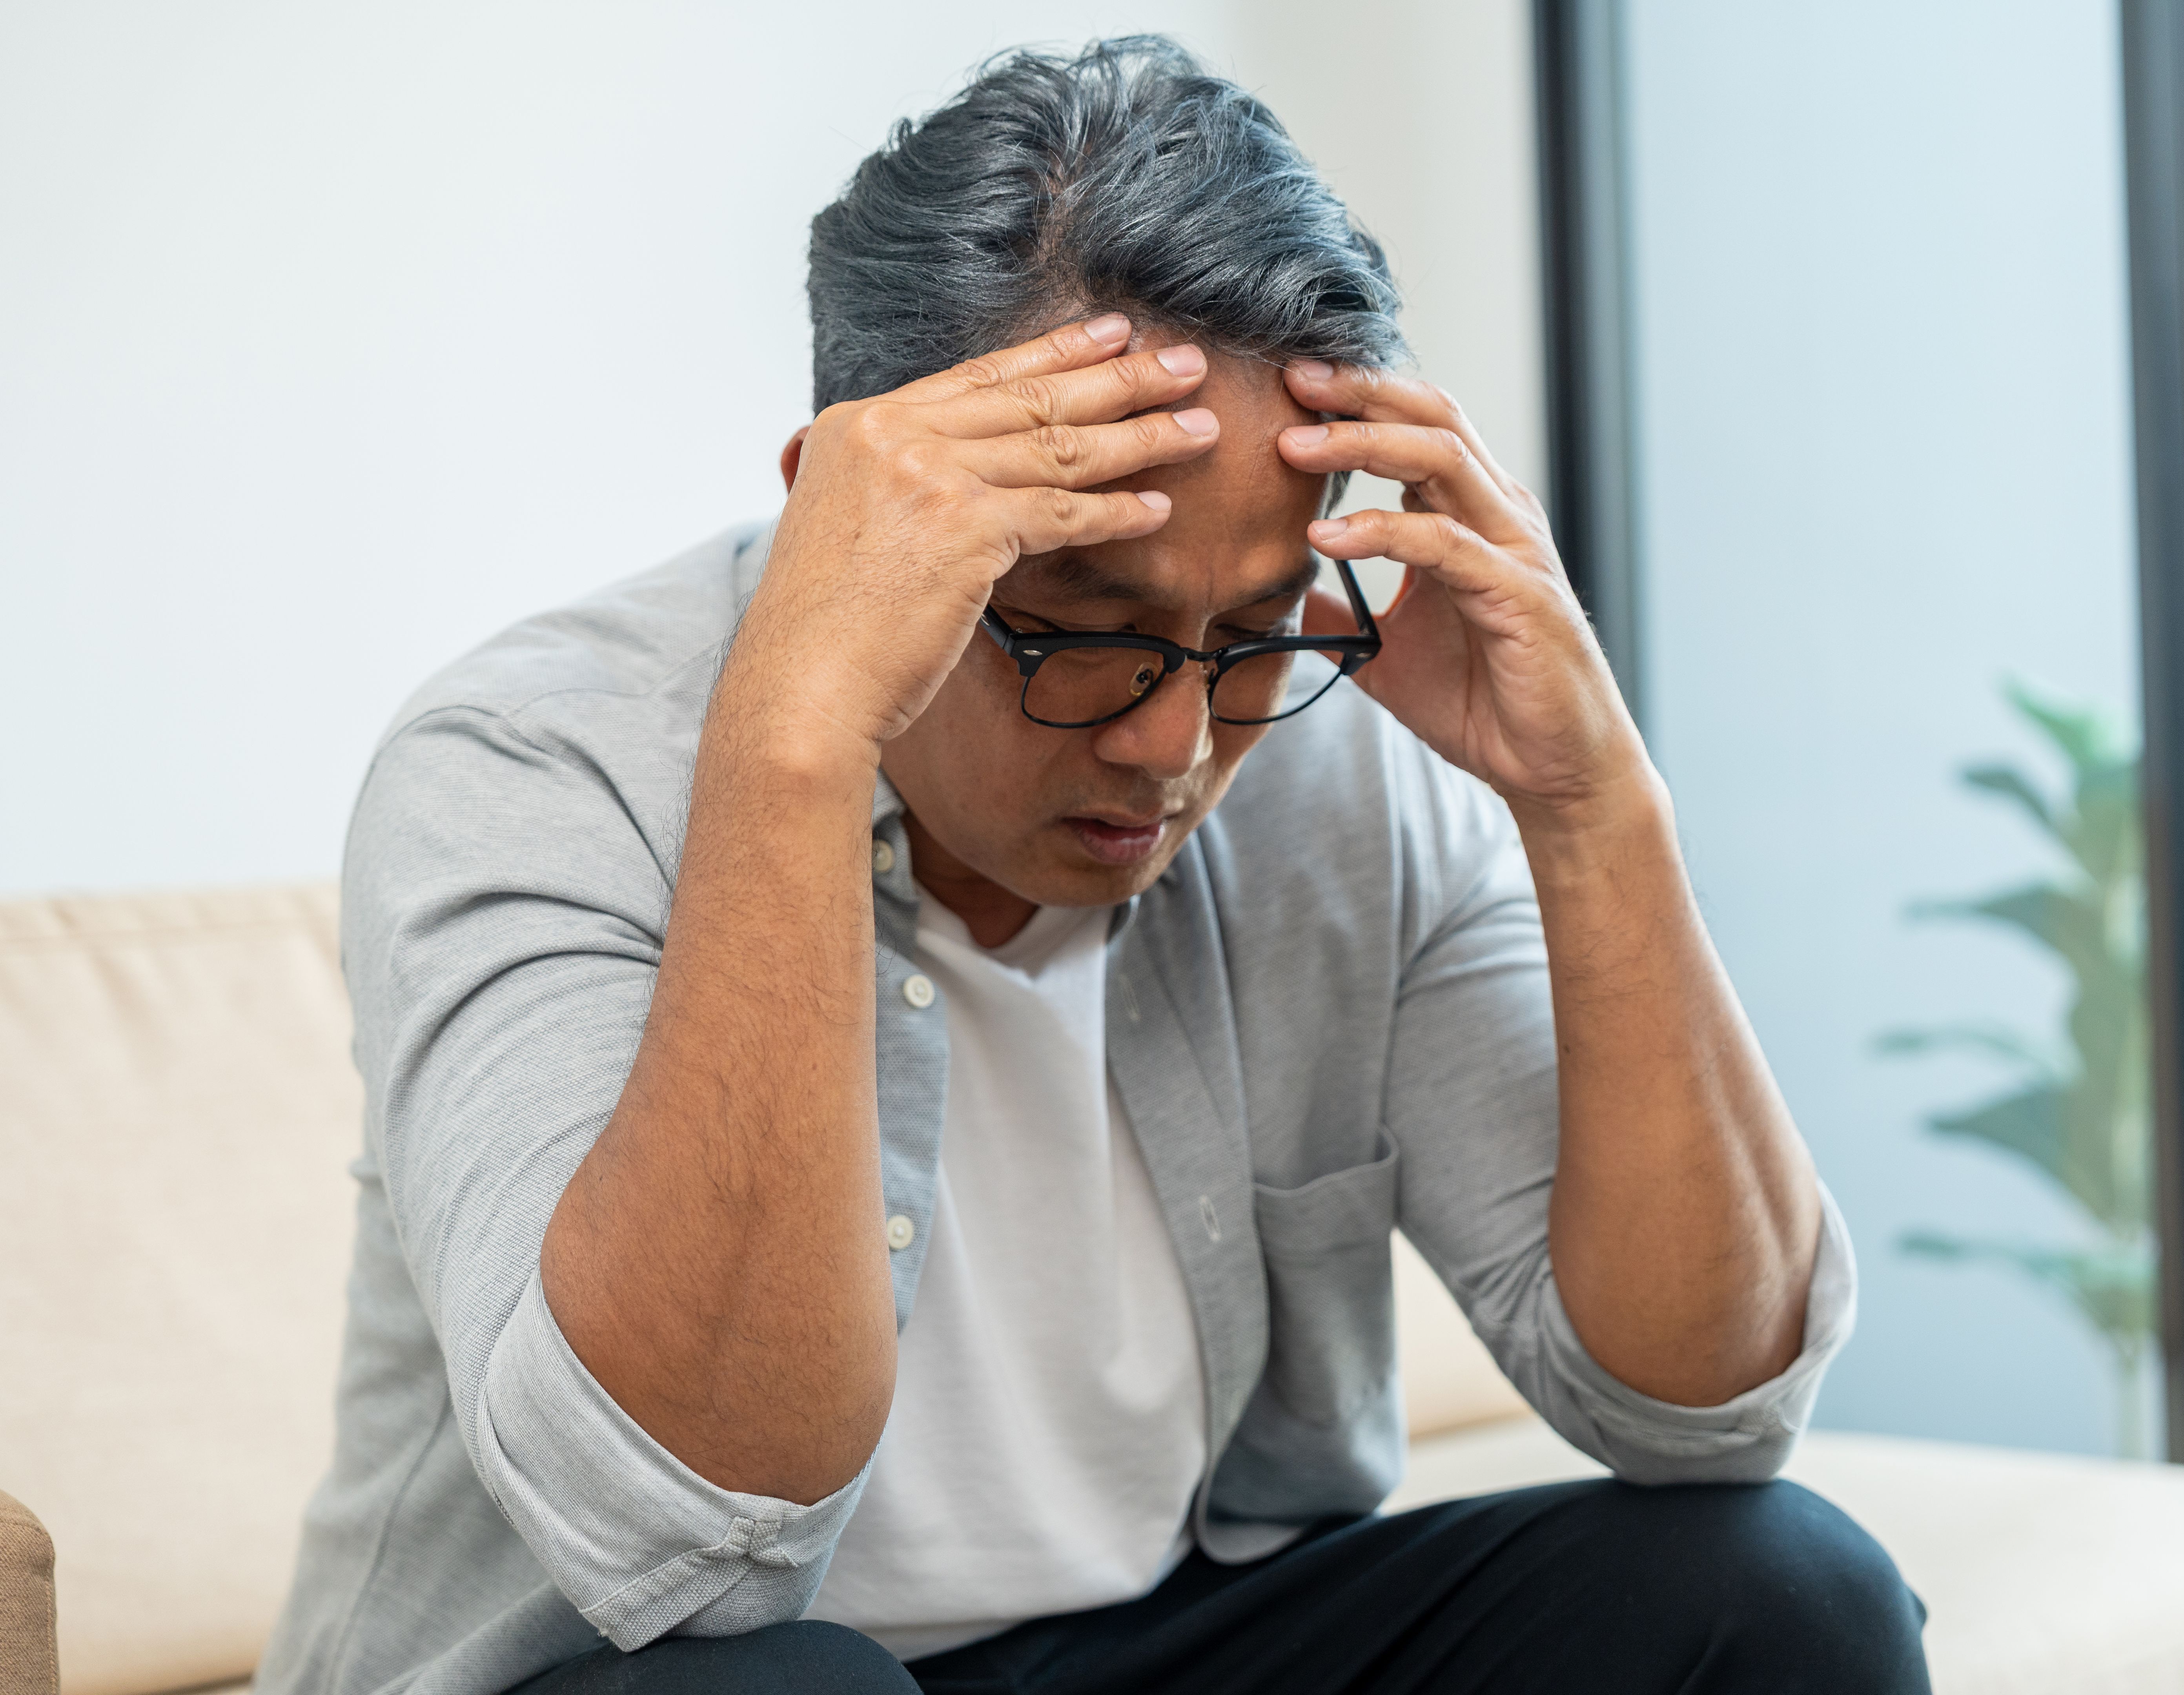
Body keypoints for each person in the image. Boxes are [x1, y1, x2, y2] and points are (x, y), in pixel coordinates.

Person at [258, 36, 1927, 1695]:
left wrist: (1595, 804)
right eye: (1078, 633)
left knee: (1781, 1593)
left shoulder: (1337, 762)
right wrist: (797, 737)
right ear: (851, 514)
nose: (1173, 745)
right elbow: (685, 1525)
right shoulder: (529, 769)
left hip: (1173, 1631)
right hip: (662, 1668)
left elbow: (1706, 1407)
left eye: (1258, 635)